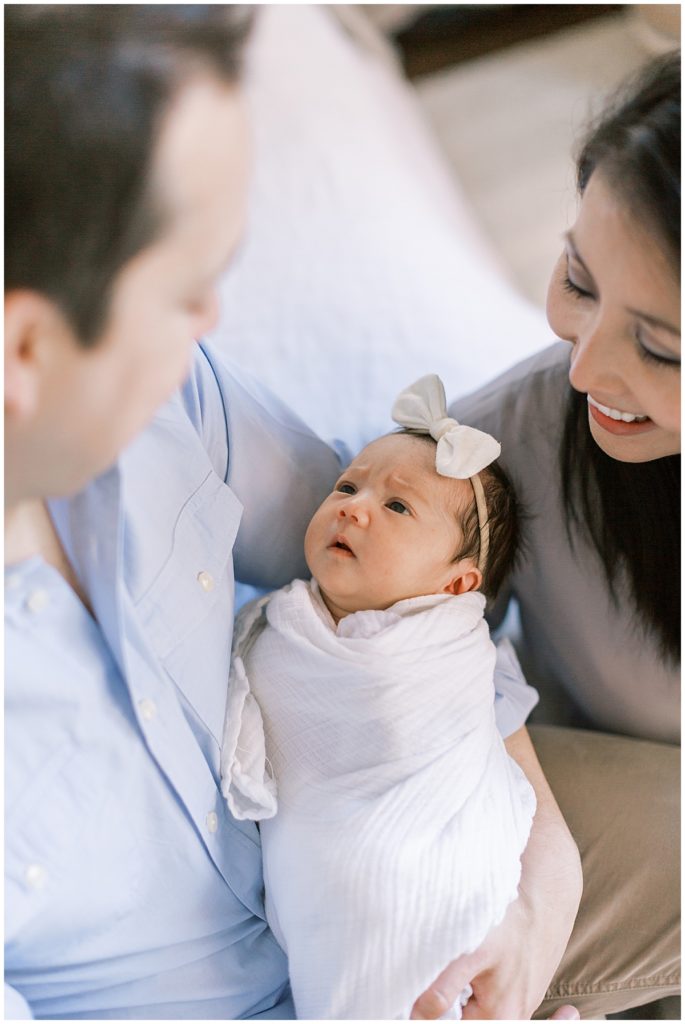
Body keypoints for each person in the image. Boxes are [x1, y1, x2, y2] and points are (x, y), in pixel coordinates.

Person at [5, 6, 579, 1021]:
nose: (216, 324)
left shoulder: (176, 403)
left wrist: (536, 888)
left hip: (443, 911)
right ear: (26, 351)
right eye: (188, 289)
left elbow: (419, 594)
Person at [428, 50, 680, 1020]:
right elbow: (383, 653)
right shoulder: (502, 443)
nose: (585, 369)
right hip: (572, 863)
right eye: (577, 280)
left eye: (657, 346)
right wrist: (540, 862)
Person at [220, 375, 536, 1019]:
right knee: (347, 890)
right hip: (324, 853)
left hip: (429, 837)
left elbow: (459, 738)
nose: (353, 506)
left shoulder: (450, 648)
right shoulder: (278, 623)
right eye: (346, 486)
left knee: (392, 888)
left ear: (457, 587)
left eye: (398, 508)